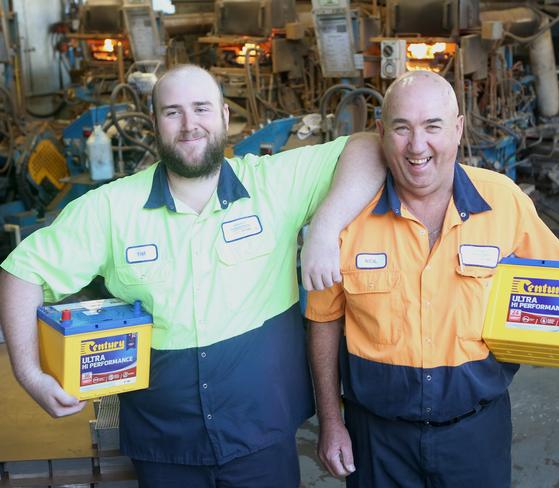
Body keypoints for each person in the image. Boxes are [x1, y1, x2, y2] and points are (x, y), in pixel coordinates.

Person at [0, 64, 386, 488]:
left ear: (224, 116)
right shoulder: (111, 209)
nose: (189, 126)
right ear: (154, 124)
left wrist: (325, 230)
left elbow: (369, 147)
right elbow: (22, 271)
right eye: (173, 112)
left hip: (262, 436)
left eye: (201, 109)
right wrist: (30, 375)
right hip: (164, 445)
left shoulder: (274, 185)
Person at [306, 70, 559, 488]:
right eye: (402, 128)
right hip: (376, 438)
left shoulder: (502, 201)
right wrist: (330, 421)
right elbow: (324, 319)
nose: (418, 146)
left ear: (458, 129)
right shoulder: (347, 213)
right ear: (380, 131)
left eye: (433, 126)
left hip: (475, 434)